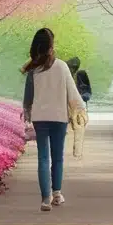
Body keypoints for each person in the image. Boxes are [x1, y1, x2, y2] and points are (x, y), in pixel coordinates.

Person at [21, 28, 85, 212]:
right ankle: (57, 193)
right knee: (57, 158)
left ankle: (45, 199)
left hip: (40, 118)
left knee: (42, 157)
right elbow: (72, 92)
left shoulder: (33, 69)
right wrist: (80, 110)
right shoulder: (62, 66)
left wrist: (27, 116)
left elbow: (28, 98)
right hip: (59, 118)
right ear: (51, 46)